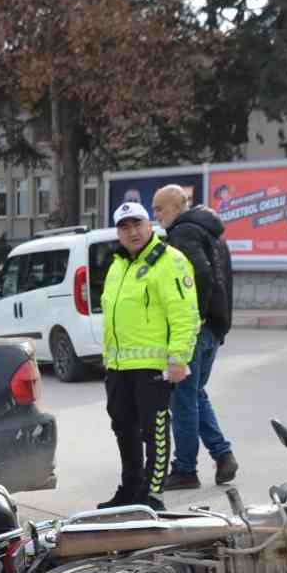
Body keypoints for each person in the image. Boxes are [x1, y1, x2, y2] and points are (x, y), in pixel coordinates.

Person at [98, 201, 199, 511]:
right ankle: (130, 489)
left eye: (137, 224)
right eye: (124, 227)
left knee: (153, 429)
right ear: (118, 232)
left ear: (150, 225)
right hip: (118, 366)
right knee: (123, 428)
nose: (132, 232)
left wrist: (179, 358)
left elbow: (185, 314)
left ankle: (153, 496)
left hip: (152, 365)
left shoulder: (170, 260)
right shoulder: (117, 265)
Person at [152, 184, 238, 490]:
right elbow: (224, 280)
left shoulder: (183, 233)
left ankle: (186, 469)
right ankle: (223, 454)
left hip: (196, 330)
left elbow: (200, 274)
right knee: (195, 394)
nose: (156, 214)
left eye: (160, 208)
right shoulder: (213, 235)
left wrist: (196, 315)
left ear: (177, 207)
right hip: (213, 329)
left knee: (183, 400)